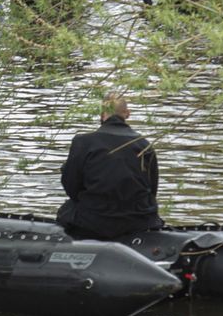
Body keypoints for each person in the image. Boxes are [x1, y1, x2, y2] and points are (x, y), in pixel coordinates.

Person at [56, 93, 164, 240]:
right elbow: (152, 189)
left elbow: (71, 185)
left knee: (67, 209)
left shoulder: (84, 142)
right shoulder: (144, 145)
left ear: (102, 115)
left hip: (94, 221)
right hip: (139, 221)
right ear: (127, 114)